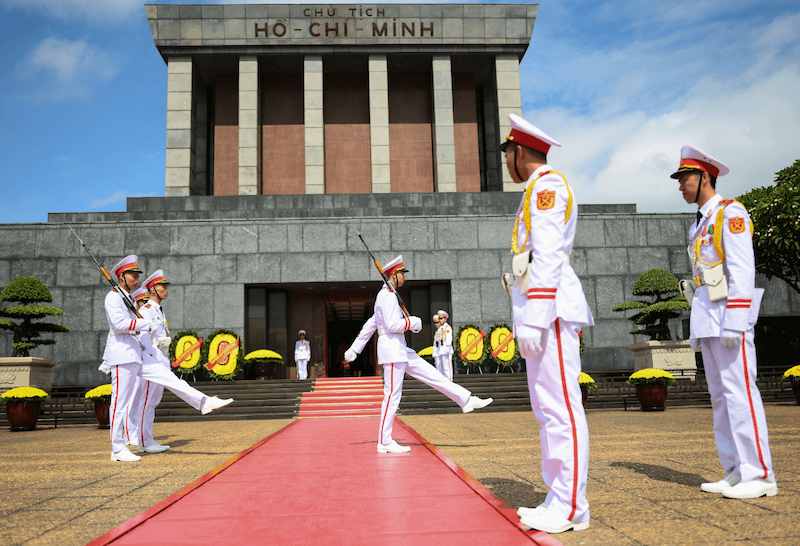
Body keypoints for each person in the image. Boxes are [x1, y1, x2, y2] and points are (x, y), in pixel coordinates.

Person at [500, 114, 593, 533]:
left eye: (506, 153)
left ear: (519, 152)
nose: (505, 162)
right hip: (541, 311)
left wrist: (535, 316)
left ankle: (572, 505)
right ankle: (559, 494)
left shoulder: (548, 187)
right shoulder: (536, 191)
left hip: (551, 311)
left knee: (561, 408)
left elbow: (549, 255)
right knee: (547, 410)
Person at [672, 145, 776, 499]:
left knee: (740, 393)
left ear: (704, 177)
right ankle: (734, 469)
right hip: (708, 315)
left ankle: (759, 473)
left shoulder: (731, 213)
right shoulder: (700, 224)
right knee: (720, 396)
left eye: (685, 178)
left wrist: (736, 320)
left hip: (729, 316)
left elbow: (742, 270)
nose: (681, 185)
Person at [344, 255, 493, 455]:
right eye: (402, 273)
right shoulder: (386, 296)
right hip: (391, 351)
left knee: (434, 375)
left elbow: (371, 324)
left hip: (401, 349)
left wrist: (355, 348)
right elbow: (390, 325)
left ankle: (465, 399)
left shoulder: (390, 294)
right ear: (394, 275)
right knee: (391, 396)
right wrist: (413, 322)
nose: (404, 277)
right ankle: (384, 441)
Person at [127, 270, 234, 454]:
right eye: (162, 286)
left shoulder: (158, 310)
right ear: (153, 289)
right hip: (152, 358)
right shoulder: (146, 310)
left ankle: (147, 439)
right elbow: (142, 336)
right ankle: (143, 439)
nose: (166, 289)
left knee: (152, 401)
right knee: (147, 400)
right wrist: (154, 350)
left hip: (161, 357)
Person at [100, 255, 151, 462]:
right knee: (119, 403)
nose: (136, 278)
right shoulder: (113, 297)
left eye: (137, 274)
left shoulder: (126, 297)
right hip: (121, 354)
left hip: (131, 353)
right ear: (121, 276)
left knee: (127, 401)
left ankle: (123, 444)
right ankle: (117, 448)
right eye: (132, 274)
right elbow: (120, 325)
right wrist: (143, 323)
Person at [433, 310, 454, 380]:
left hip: (445, 350)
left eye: (441, 318)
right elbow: (436, 342)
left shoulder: (447, 327)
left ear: (445, 318)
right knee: (440, 367)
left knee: (446, 367)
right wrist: (435, 352)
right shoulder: (439, 329)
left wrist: (446, 350)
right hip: (439, 351)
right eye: (439, 318)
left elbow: (448, 340)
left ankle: (449, 381)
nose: (440, 320)